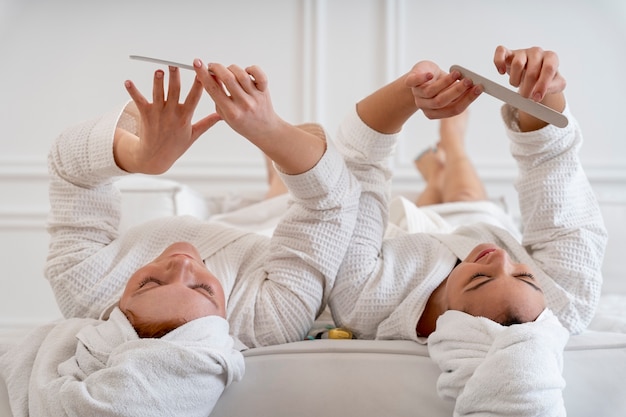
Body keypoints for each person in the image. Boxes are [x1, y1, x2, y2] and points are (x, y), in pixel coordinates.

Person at [0, 60, 364, 417]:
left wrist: (140, 155)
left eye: (149, 283)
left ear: (115, 315)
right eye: (203, 290)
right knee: (283, 204)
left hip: (224, 225)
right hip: (271, 238)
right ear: (225, 331)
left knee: (271, 200)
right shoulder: (266, 320)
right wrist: (270, 131)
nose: (182, 264)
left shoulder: (88, 289)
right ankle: (278, 182)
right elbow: (330, 204)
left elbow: (70, 172)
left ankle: (274, 182)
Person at [327, 44, 604, 416]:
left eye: (479, 280)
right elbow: (553, 166)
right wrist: (542, 92)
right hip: (479, 217)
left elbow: (355, 165)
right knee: (466, 194)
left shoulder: (365, 301)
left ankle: (442, 162)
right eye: (525, 275)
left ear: (450, 327)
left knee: (451, 194)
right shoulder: (566, 302)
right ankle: (452, 149)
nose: (503, 258)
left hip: (401, 231)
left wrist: (407, 94)